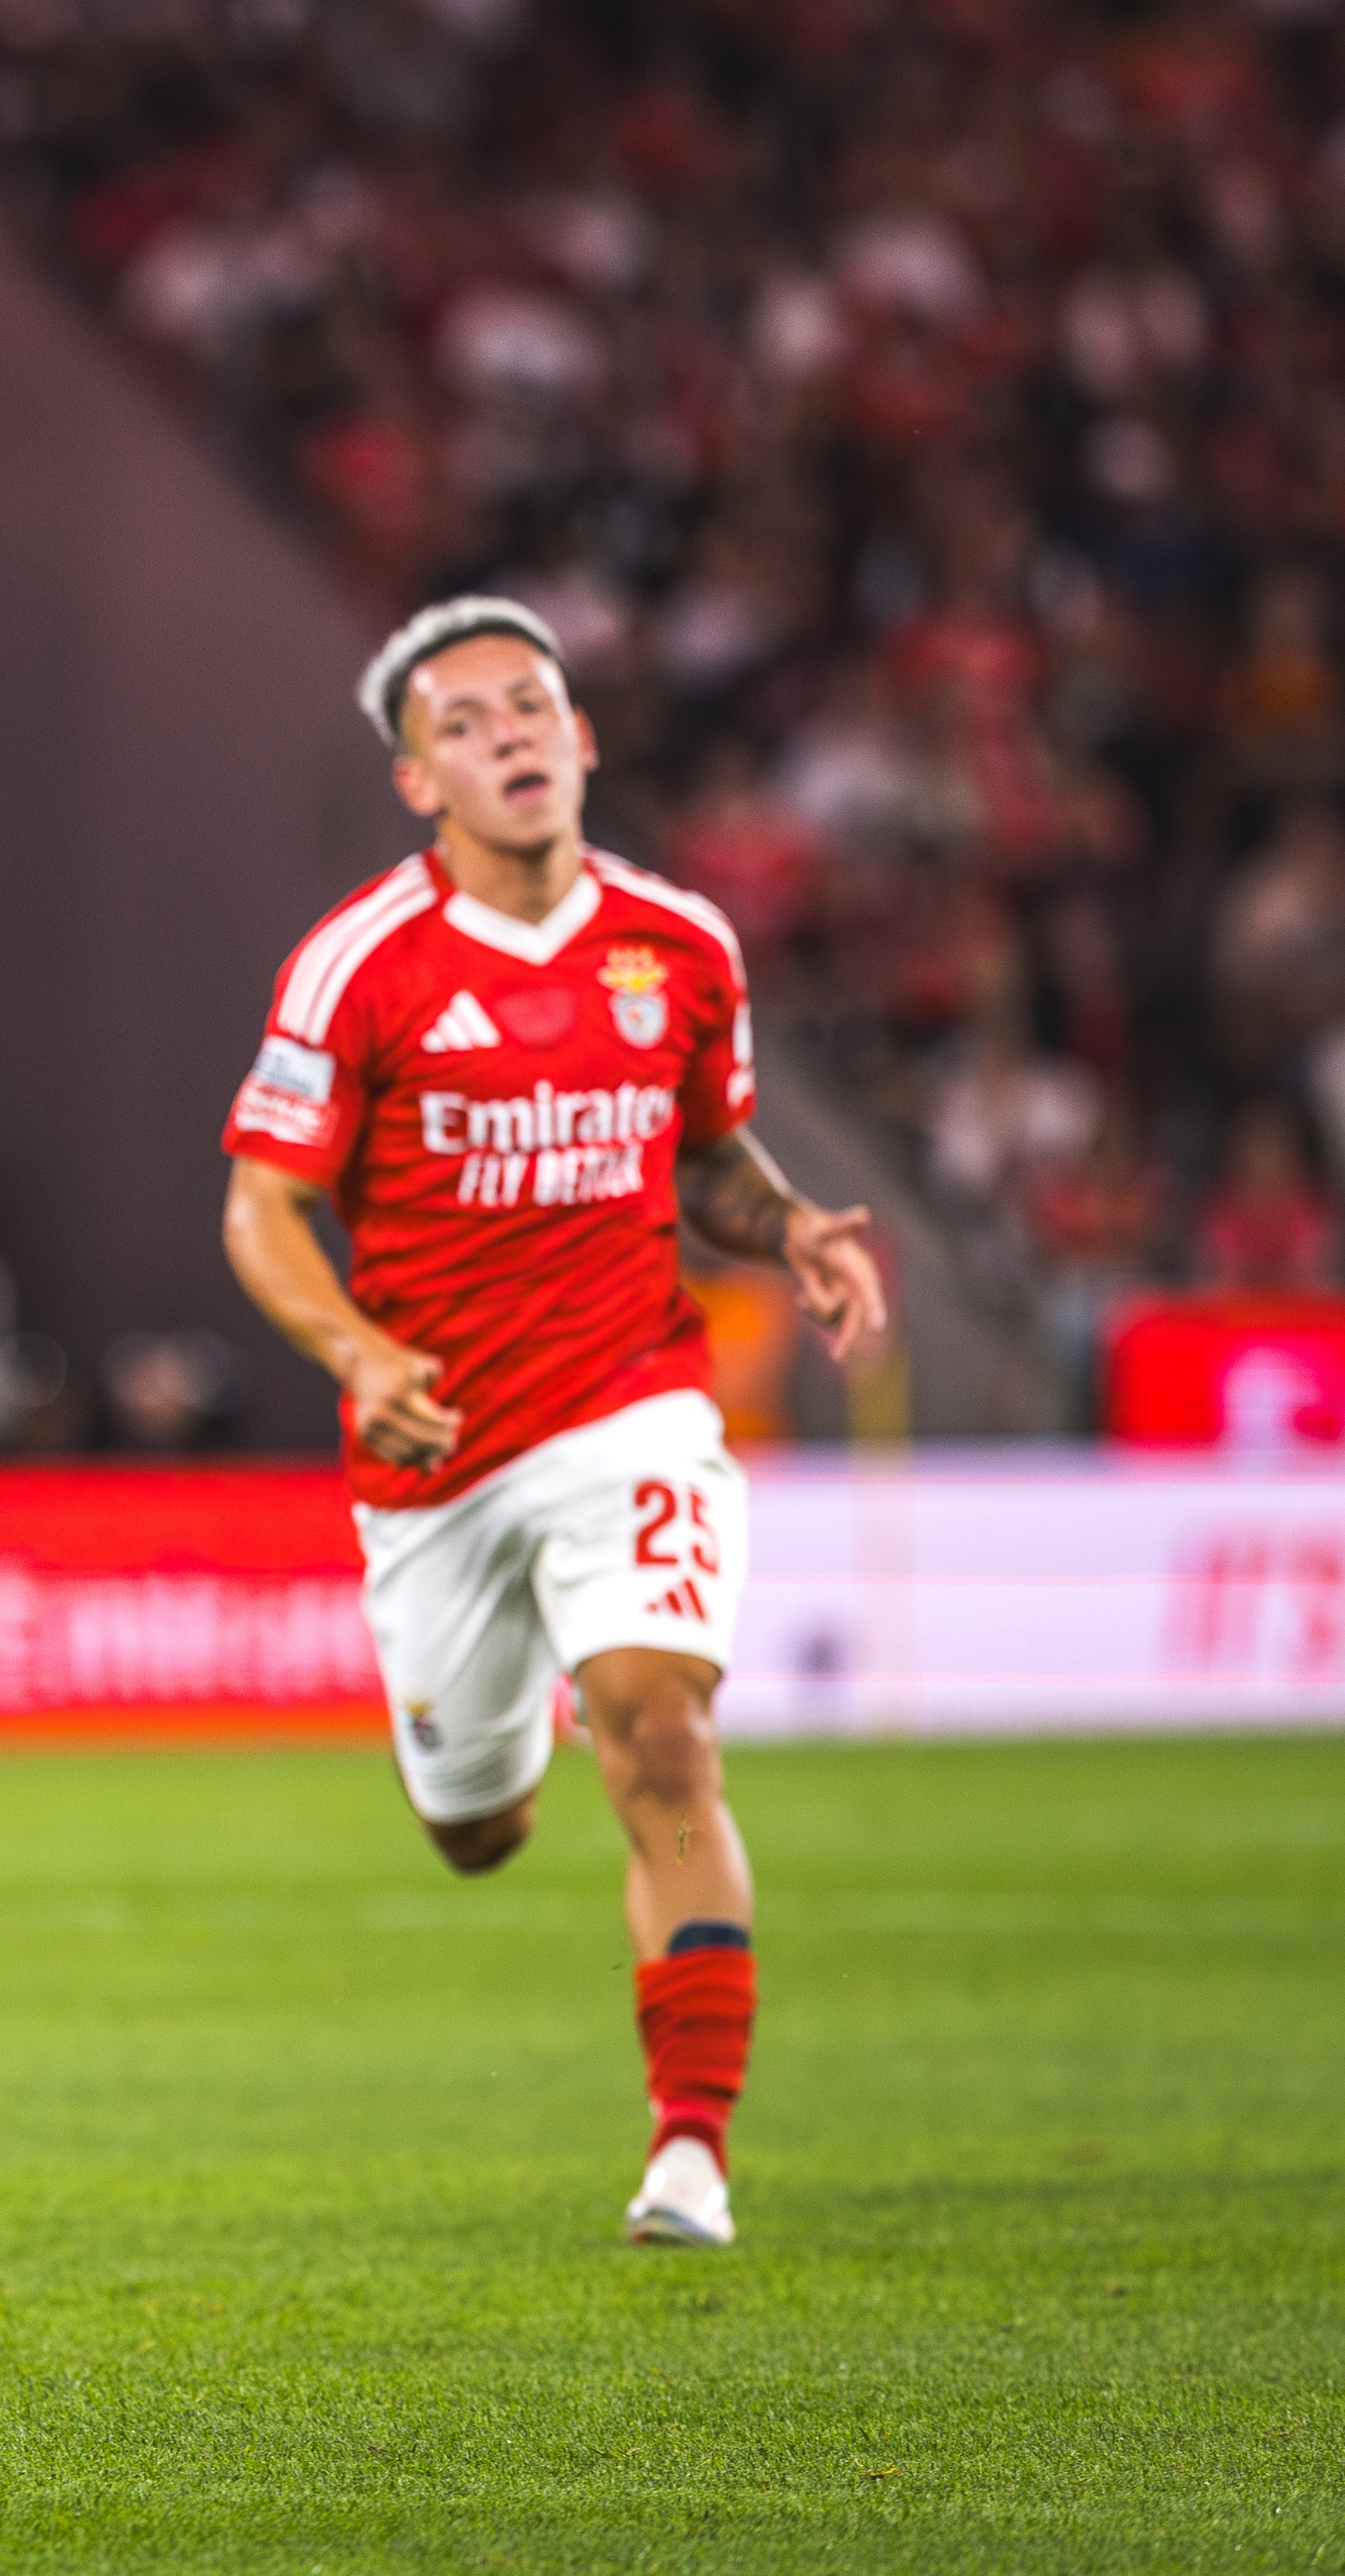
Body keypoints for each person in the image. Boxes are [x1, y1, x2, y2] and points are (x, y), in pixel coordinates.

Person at [218, 596, 889, 2250]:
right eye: (469, 720)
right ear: (415, 777)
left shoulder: (681, 944)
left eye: (534, 704)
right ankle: (493, 1759)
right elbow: (261, 1207)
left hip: (627, 1404)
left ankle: (689, 2147)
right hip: (434, 1450)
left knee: (659, 1722)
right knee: (476, 1826)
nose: (511, 733)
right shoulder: (358, 962)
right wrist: (357, 1349)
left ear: (582, 739)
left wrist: (787, 1220)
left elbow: (710, 1160)